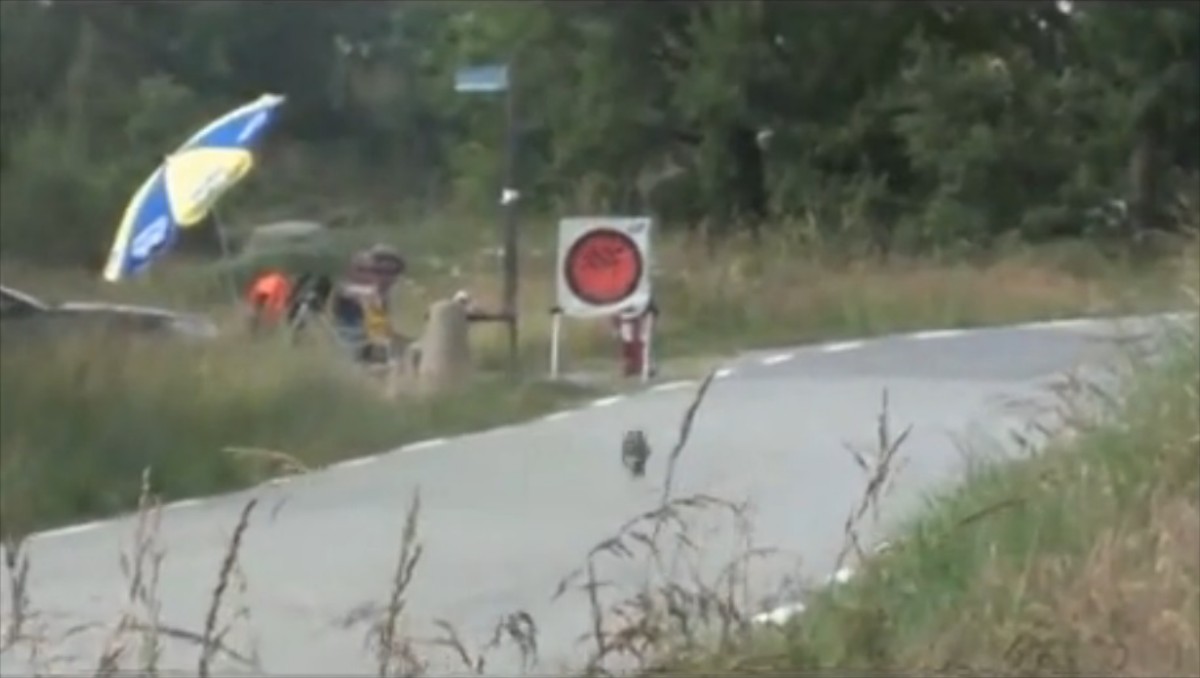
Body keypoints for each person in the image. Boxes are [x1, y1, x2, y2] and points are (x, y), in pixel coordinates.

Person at [245, 269, 293, 335]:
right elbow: (281, 300)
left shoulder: (270, 280)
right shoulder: (282, 283)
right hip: (266, 293)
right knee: (268, 316)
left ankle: (256, 330)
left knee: (258, 315)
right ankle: (264, 330)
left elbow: (254, 294)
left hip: (260, 291)